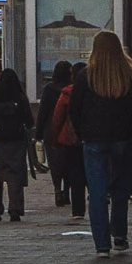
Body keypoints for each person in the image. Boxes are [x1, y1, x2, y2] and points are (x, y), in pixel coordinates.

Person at [71, 33, 132, 256]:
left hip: (93, 140)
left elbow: (74, 109)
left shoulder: (86, 77)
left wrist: (81, 131)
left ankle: (101, 244)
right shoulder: (129, 77)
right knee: (121, 189)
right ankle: (119, 236)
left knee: (97, 192)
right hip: (123, 139)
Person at [0, 66, 39, 223]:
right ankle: (15, 210)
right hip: (17, 141)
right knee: (14, 177)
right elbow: (28, 120)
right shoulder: (20, 98)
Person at [45, 63, 87, 218]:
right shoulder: (94, 91)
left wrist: (53, 138)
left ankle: (77, 209)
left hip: (69, 138)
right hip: (91, 137)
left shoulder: (66, 93)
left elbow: (57, 117)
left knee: (74, 172)